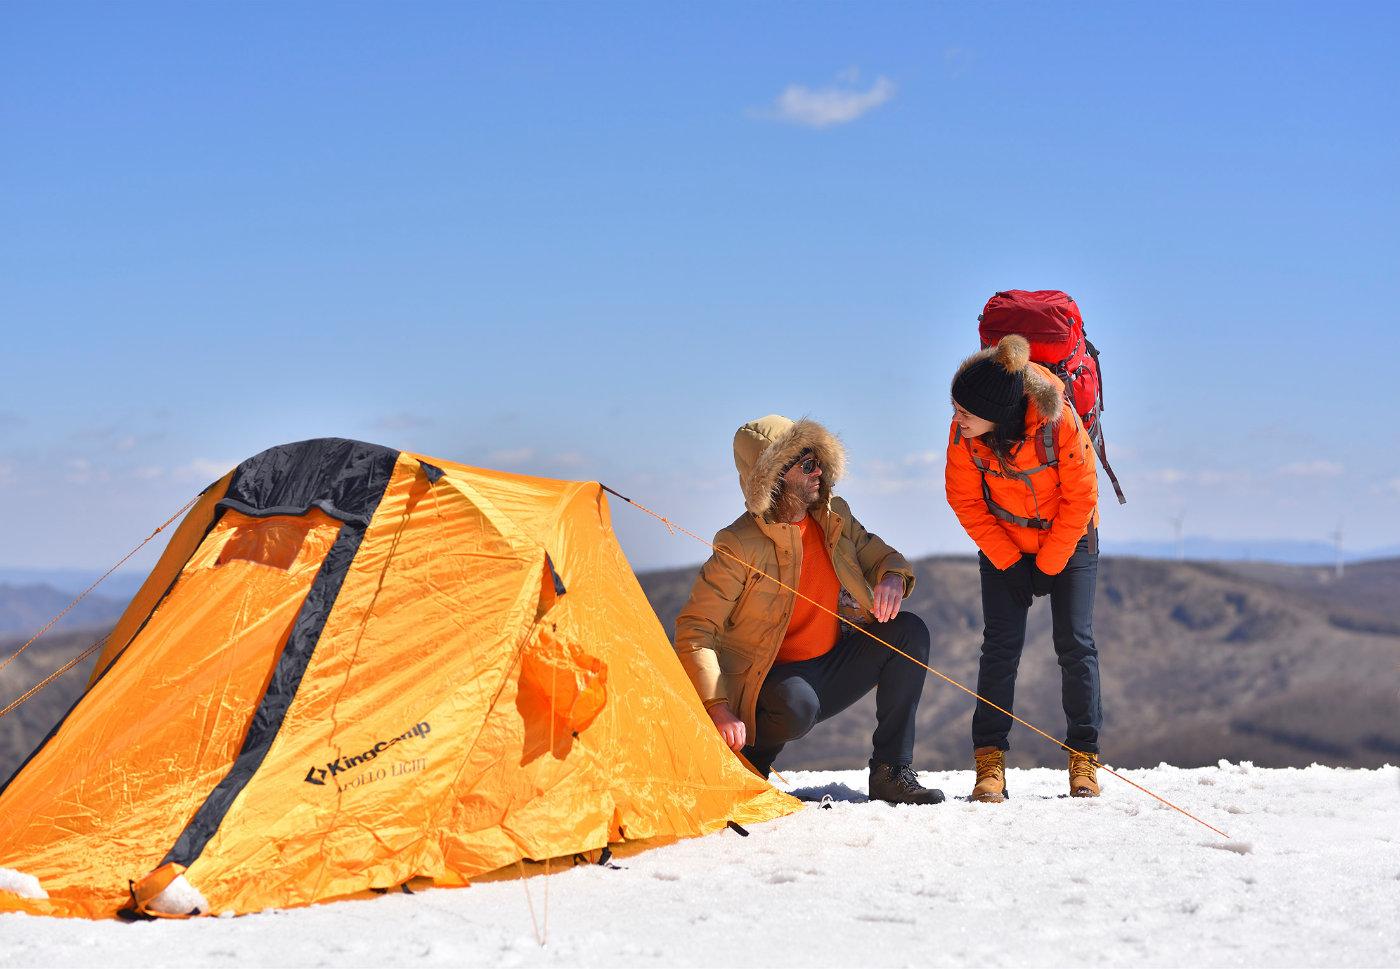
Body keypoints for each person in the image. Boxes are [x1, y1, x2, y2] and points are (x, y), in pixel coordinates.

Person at [674, 415, 944, 805]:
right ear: (774, 475)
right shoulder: (738, 543)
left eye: (818, 460)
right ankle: (752, 760)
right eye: (806, 464)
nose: (818, 471)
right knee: (797, 707)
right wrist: (717, 707)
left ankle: (890, 772)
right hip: (771, 681)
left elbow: (881, 554)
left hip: (832, 662)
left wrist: (892, 577)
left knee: (909, 632)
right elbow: (696, 628)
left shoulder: (835, 515)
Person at [944, 335, 1103, 801]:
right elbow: (965, 499)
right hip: (1006, 543)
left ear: (997, 411)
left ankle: (1084, 760)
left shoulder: (1059, 425)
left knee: (1075, 644)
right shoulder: (966, 434)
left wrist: (1050, 564)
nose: (955, 421)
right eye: (954, 408)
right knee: (1000, 648)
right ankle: (989, 765)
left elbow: (1081, 498)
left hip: (1069, 538)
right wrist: (1010, 562)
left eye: (965, 413)